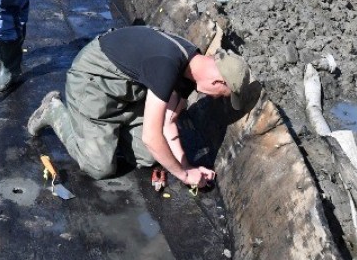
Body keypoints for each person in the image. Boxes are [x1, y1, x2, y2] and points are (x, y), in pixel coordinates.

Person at [27, 26, 251, 188]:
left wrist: (187, 166)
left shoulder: (193, 65)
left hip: (125, 96)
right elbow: (152, 137)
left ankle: (113, 132)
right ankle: (55, 111)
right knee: (99, 167)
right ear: (218, 82)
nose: (214, 98)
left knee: (148, 157)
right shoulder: (167, 64)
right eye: (221, 95)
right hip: (92, 86)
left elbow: (167, 122)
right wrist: (184, 175)